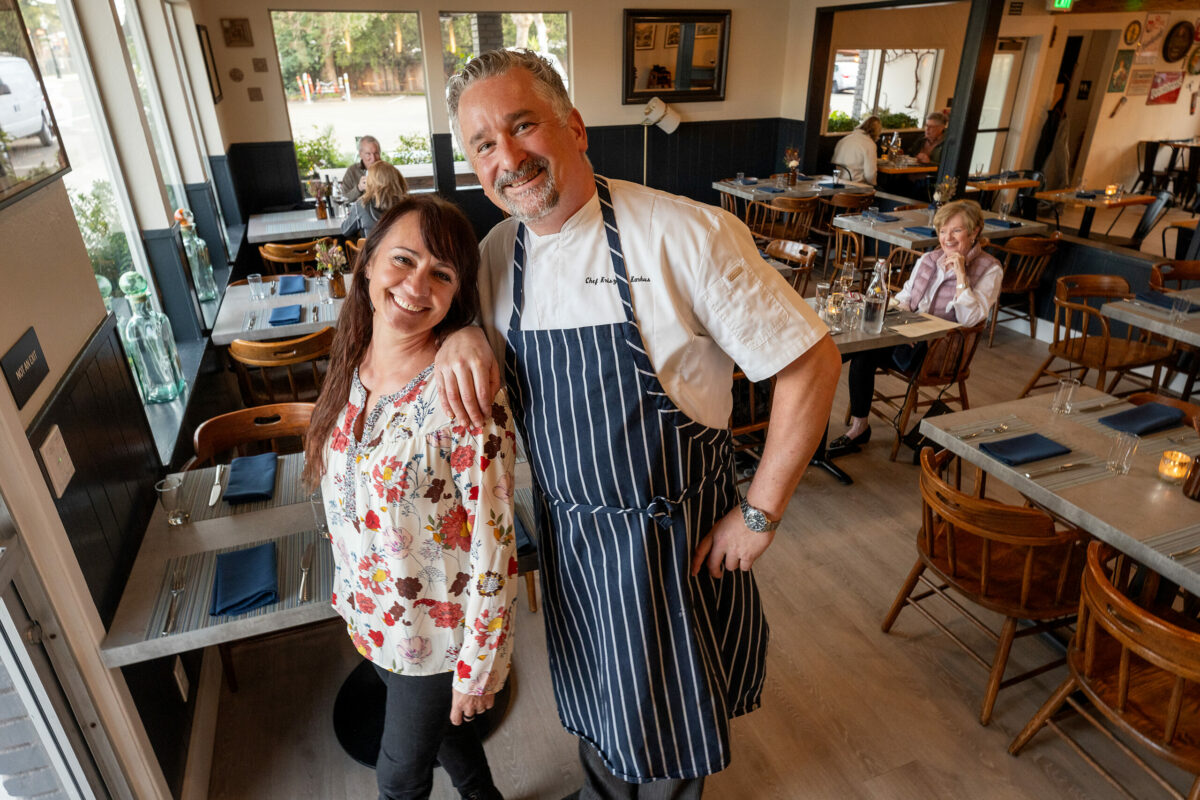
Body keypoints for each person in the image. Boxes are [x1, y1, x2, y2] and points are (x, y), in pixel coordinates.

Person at [439, 49, 841, 797]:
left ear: (576, 127)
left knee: (668, 732)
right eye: (484, 144)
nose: (508, 158)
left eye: (523, 125)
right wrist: (459, 329)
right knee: (594, 703)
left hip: (670, 545)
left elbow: (811, 364)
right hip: (571, 540)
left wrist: (761, 512)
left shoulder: (685, 234)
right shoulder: (497, 255)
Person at [302, 195, 517, 800]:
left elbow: (495, 545)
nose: (416, 285)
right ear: (367, 264)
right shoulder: (352, 358)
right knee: (449, 738)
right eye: (403, 259)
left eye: (442, 274)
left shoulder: (462, 394)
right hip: (374, 616)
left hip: (440, 637)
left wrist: (477, 668)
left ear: (457, 296)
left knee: (399, 777)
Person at [831, 199, 1002, 451]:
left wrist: (962, 277)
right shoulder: (929, 259)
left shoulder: (990, 269)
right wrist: (894, 309)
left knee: (855, 351)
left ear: (975, 232)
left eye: (957, 230)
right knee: (856, 347)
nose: (948, 238)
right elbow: (906, 298)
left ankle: (824, 367)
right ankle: (859, 426)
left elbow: (970, 320)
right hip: (904, 338)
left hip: (940, 352)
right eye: (943, 231)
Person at [340, 161, 409, 240]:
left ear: (370, 182)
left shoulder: (361, 205)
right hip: (403, 250)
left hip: (373, 251)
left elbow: (345, 230)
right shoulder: (408, 204)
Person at [832, 115, 882, 185]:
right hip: (855, 186)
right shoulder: (869, 144)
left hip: (837, 183)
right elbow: (870, 175)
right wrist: (873, 185)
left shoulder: (844, 139)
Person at [339, 135, 382, 202]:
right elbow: (344, 199)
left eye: (376, 153)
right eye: (368, 154)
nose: (373, 159)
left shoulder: (388, 170)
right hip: (358, 211)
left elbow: (399, 196)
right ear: (360, 154)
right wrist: (359, 188)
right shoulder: (352, 171)